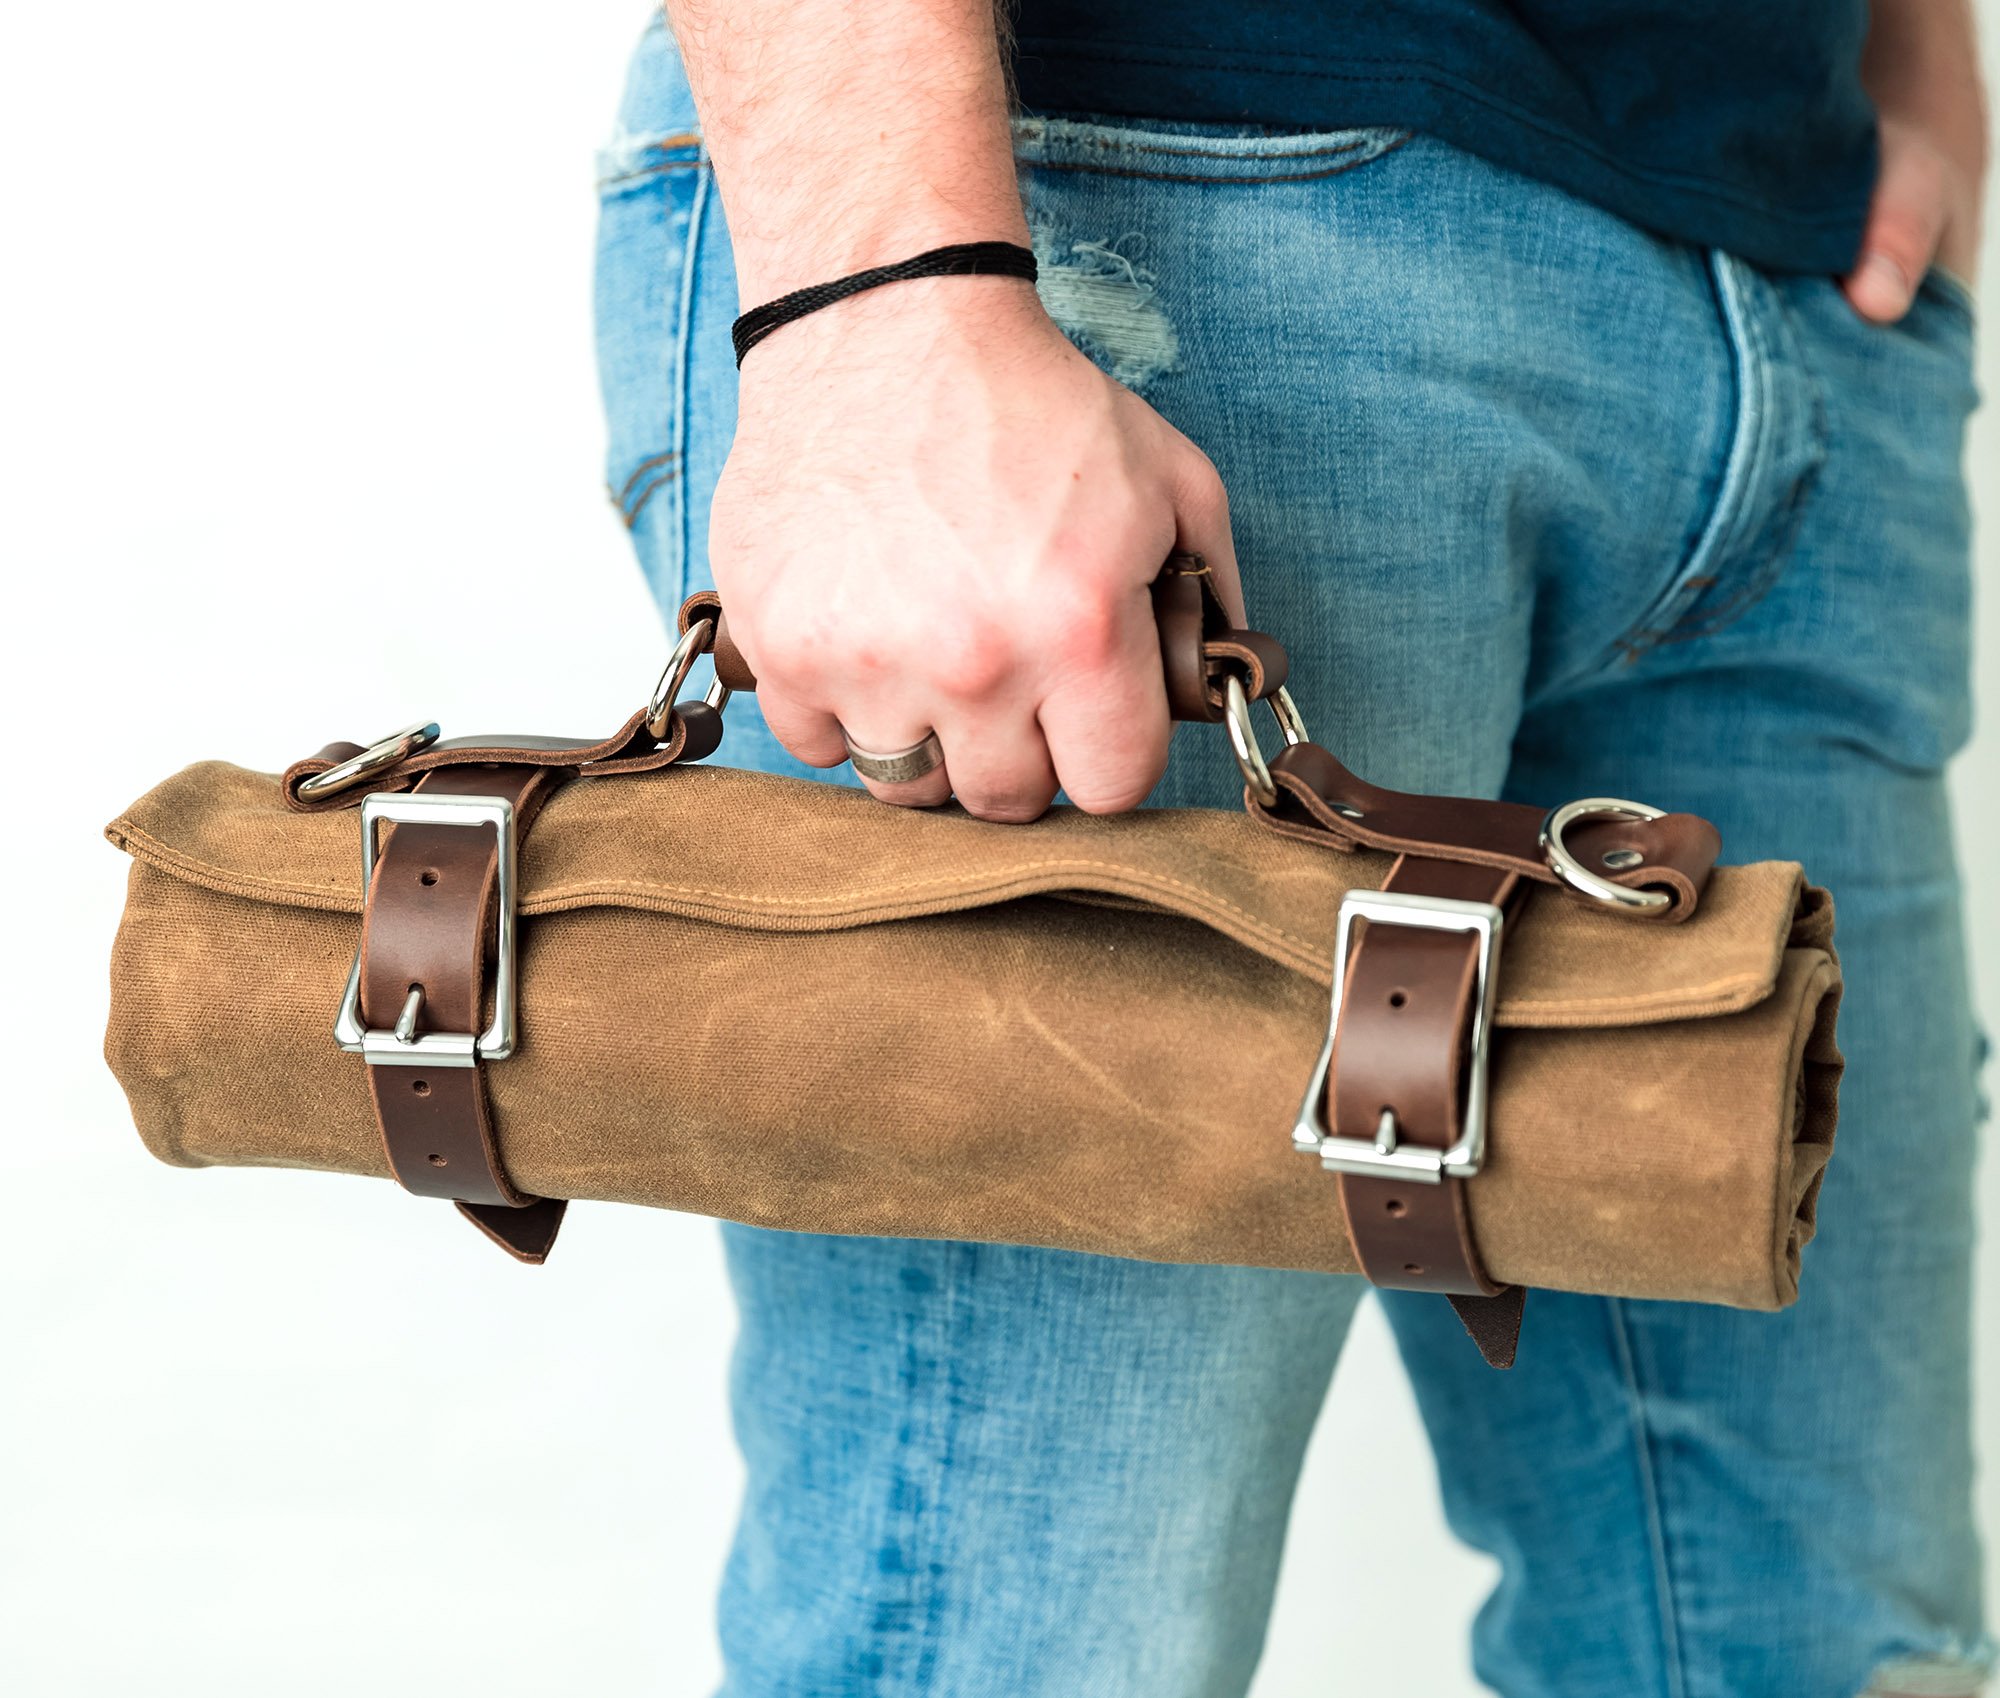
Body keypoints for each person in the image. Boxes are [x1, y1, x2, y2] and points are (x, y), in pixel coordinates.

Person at [591, 2, 1991, 1692]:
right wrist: (877, 291)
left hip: (1787, 285)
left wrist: (1918, 39)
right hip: (1144, 218)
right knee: (1017, 1648)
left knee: (1827, 1652)